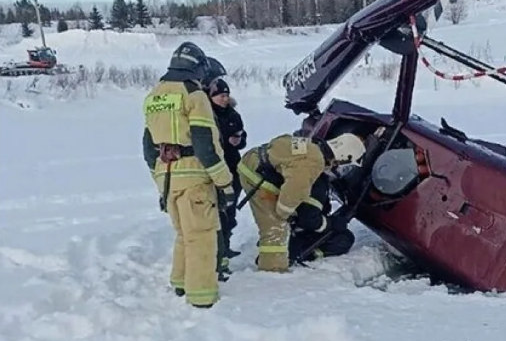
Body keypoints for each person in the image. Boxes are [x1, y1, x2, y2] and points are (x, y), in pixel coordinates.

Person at [142, 42, 235, 308]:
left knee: (184, 233)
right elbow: (205, 144)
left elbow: (149, 148)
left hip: (167, 177)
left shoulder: (153, 96)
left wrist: (160, 182)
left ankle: (180, 282)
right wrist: (224, 182)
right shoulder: (194, 95)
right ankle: (202, 296)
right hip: (194, 177)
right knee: (202, 236)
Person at [236, 132, 366, 272]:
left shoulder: (312, 147)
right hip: (256, 178)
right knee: (276, 231)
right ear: (342, 157)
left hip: (252, 160)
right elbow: (293, 191)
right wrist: (284, 215)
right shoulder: (313, 163)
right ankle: (272, 271)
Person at [207, 77, 247, 267]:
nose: (224, 99)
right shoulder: (206, 114)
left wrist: (239, 140)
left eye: (226, 95)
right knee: (217, 212)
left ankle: (226, 246)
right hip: (214, 169)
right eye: (220, 96)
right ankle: (216, 250)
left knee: (230, 211)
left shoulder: (233, 115)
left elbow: (243, 135)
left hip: (233, 168)